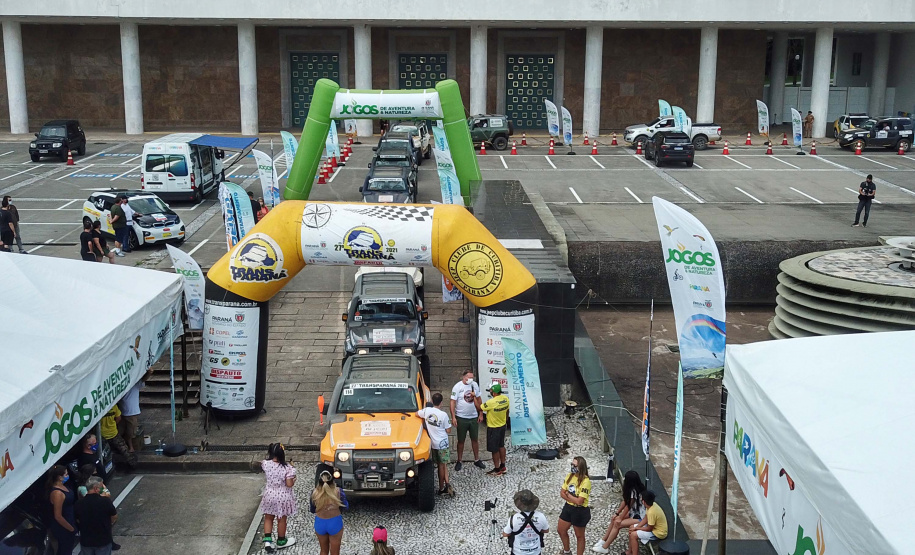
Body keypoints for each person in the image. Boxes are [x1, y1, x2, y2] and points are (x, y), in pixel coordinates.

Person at [592, 470, 646, 553]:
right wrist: (617, 513)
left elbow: (628, 506)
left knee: (618, 524)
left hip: (641, 518)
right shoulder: (636, 488)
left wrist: (620, 518)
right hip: (635, 513)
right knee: (614, 519)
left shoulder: (633, 491)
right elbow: (625, 501)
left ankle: (605, 547)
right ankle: (603, 540)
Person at [260, 443, 297, 552]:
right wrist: (294, 479)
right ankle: (281, 541)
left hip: (269, 494)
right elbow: (289, 484)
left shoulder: (265, 464)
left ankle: (267, 541)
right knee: (281, 519)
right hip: (283, 496)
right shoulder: (288, 468)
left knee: (268, 517)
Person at [416, 393, 454, 495]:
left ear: (432, 401)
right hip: (443, 444)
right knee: (443, 465)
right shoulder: (443, 415)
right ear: (441, 402)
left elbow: (416, 414)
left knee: (440, 464)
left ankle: (446, 484)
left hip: (433, 444)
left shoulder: (426, 411)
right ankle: (442, 487)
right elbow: (448, 430)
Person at [450, 369, 485, 471]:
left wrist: (481, 413)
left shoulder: (474, 385)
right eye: (469, 377)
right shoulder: (457, 387)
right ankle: (459, 460)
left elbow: (479, 399)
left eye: (472, 377)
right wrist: (453, 416)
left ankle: (477, 459)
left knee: (475, 439)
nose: (470, 379)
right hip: (461, 417)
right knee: (461, 440)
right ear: (464, 377)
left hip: (473, 417)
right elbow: (453, 401)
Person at [74, 476, 118, 555]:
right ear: (95, 488)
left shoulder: (78, 503)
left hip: (86, 541)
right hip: (103, 540)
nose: (103, 488)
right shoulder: (105, 501)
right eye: (101, 486)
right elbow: (114, 516)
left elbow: (77, 519)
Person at [557, 456, 592, 555]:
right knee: (561, 530)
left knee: (579, 536)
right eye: (572, 464)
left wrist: (568, 495)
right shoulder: (569, 476)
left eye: (575, 465)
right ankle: (567, 551)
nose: (572, 467)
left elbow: (580, 501)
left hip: (580, 511)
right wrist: (572, 499)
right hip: (568, 507)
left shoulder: (586, 481)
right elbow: (562, 493)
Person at [310, 469, 348, 555]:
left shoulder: (314, 493)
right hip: (335, 522)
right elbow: (345, 506)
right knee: (335, 552)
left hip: (320, 523)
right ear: (332, 481)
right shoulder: (339, 492)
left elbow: (312, 509)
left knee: (323, 551)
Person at [502, 489, 549, 555]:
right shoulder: (541, 516)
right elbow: (546, 530)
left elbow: (505, 534)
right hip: (535, 552)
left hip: (518, 552)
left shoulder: (514, 518)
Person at [119, 367, 152, 453]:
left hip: (131, 412)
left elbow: (143, 380)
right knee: (121, 431)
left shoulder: (134, 384)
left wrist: (149, 373)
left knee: (131, 432)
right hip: (121, 412)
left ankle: (130, 446)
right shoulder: (120, 386)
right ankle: (127, 446)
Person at [625, 490, 668, 555]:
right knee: (632, 527)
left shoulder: (652, 512)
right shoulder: (652, 505)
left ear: (644, 501)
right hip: (653, 528)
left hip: (658, 533)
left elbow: (649, 529)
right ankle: (630, 551)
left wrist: (637, 528)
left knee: (633, 535)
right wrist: (637, 527)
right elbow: (646, 518)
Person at [46, 465, 77, 555]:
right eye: (66, 474)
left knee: (68, 547)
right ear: (60, 477)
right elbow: (58, 516)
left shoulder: (63, 486)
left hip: (70, 519)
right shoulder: (57, 493)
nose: (68, 475)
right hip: (63, 526)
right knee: (65, 549)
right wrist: (71, 529)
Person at [480, 383, 509, 475]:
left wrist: (475, 398)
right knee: (501, 446)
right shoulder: (505, 399)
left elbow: (479, 407)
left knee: (494, 449)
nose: (490, 392)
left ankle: (497, 469)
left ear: (494, 393)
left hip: (493, 428)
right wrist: (505, 420)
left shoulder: (491, 402)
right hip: (502, 426)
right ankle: (503, 466)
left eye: (491, 391)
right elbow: (507, 411)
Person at [100, 404, 137, 469]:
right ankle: (132, 465)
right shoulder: (114, 406)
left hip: (102, 434)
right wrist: (113, 424)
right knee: (125, 451)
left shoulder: (99, 409)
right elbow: (118, 418)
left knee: (104, 453)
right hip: (113, 433)